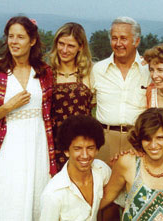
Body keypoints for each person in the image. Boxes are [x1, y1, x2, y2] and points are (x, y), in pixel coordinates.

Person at [0, 16, 56, 220]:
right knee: (9, 199)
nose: (14, 41)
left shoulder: (44, 72)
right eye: (11, 36)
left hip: (38, 147)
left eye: (20, 37)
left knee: (38, 198)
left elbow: (49, 114)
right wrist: (7, 107)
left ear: (32, 41)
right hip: (8, 149)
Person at [100, 108, 163, 220]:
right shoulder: (127, 163)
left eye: (160, 138)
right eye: (147, 139)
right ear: (139, 139)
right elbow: (107, 197)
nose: (153, 145)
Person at [91, 16, 151, 164]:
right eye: (114, 38)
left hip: (137, 141)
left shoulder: (149, 70)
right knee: (103, 184)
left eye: (123, 38)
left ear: (136, 41)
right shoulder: (98, 69)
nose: (118, 44)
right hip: (104, 140)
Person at [39, 115, 112, 221]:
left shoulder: (102, 170)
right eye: (78, 149)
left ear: (97, 149)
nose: (85, 155)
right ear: (66, 151)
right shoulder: (53, 193)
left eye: (90, 148)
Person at [48, 22, 93, 171]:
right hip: (52, 144)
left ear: (80, 47)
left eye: (71, 46)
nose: (64, 50)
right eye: (61, 44)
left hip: (83, 145)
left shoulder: (90, 73)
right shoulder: (46, 73)